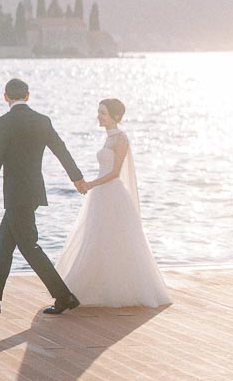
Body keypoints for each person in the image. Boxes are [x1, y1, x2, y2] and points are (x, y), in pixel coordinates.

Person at [0, 78, 88, 316]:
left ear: (5, 97)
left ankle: (64, 296)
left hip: (15, 194)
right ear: (28, 96)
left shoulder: (4, 122)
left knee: (29, 246)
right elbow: (61, 149)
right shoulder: (41, 120)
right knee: (4, 242)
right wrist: (76, 177)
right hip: (33, 191)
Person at [55, 98, 171, 308]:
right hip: (101, 195)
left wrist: (90, 184)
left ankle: (123, 290)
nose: (99, 116)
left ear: (115, 117)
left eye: (103, 113)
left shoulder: (121, 139)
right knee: (96, 238)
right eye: (99, 112)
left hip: (112, 194)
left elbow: (115, 173)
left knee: (116, 240)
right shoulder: (108, 139)